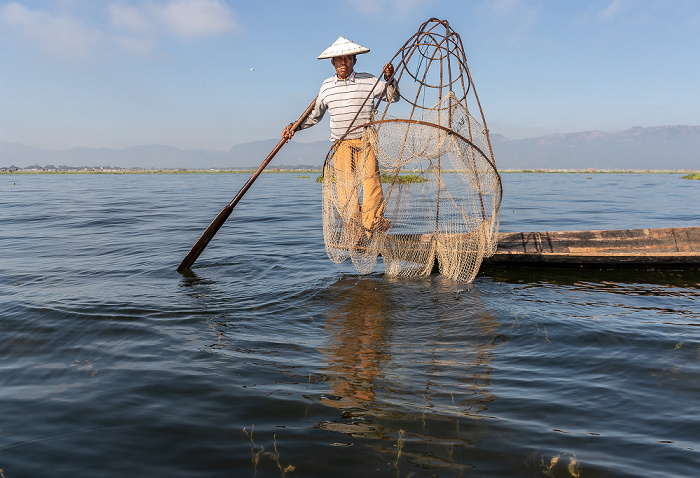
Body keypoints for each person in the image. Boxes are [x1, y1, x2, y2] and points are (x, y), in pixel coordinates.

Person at [282, 36, 400, 240]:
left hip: (366, 141)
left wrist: (390, 79)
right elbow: (314, 116)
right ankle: (355, 233)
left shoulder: (369, 80)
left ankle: (373, 224)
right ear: (333, 63)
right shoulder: (327, 86)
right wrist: (295, 126)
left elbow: (393, 97)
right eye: (338, 60)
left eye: (347, 59)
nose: (342, 63)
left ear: (354, 60)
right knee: (346, 189)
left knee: (371, 183)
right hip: (341, 144)